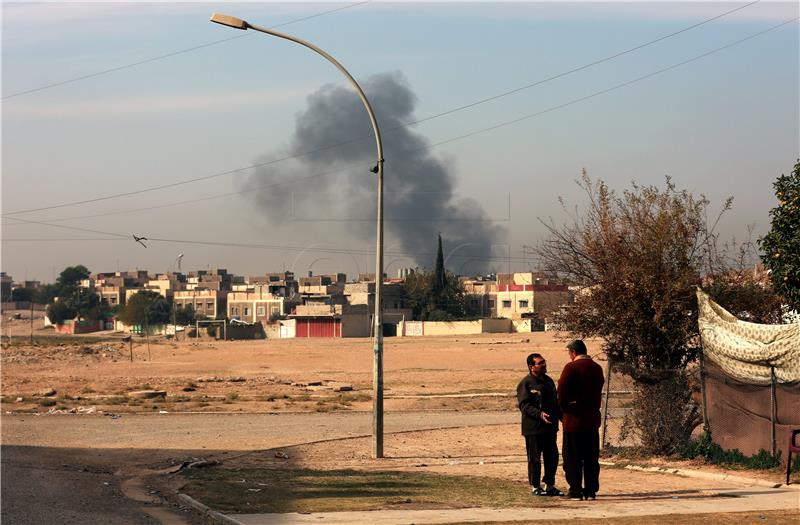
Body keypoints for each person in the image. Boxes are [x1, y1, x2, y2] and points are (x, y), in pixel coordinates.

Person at [557, 339, 605, 500]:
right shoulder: (597, 368)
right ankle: (591, 490)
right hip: (592, 420)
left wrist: (564, 409)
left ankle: (575, 489)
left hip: (574, 420)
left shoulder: (571, 367)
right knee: (591, 458)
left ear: (573, 353)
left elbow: (562, 389)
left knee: (572, 457)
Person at [517, 352, 563, 496]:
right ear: (531, 367)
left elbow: (555, 403)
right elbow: (524, 405)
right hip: (533, 428)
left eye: (544, 362)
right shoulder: (526, 383)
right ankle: (536, 486)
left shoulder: (549, 381)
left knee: (552, 457)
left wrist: (561, 418)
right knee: (535, 458)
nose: (544, 365)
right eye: (540, 363)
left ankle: (550, 485)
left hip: (550, 428)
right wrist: (539, 414)